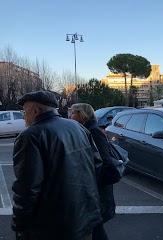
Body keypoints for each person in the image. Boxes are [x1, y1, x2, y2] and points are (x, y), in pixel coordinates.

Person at [12, 90, 103, 240]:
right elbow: (97, 164)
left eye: (24, 112)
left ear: (35, 111)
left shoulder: (30, 136)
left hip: (52, 227)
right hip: (86, 219)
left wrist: (19, 224)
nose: (23, 117)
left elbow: (27, 188)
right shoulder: (78, 127)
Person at [70, 103, 116, 240]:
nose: (70, 116)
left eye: (73, 113)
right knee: (93, 225)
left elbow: (104, 161)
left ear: (82, 115)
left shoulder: (94, 131)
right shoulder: (84, 130)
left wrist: (91, 182)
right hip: (92, 187)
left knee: (95, 226)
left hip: (98, 188)